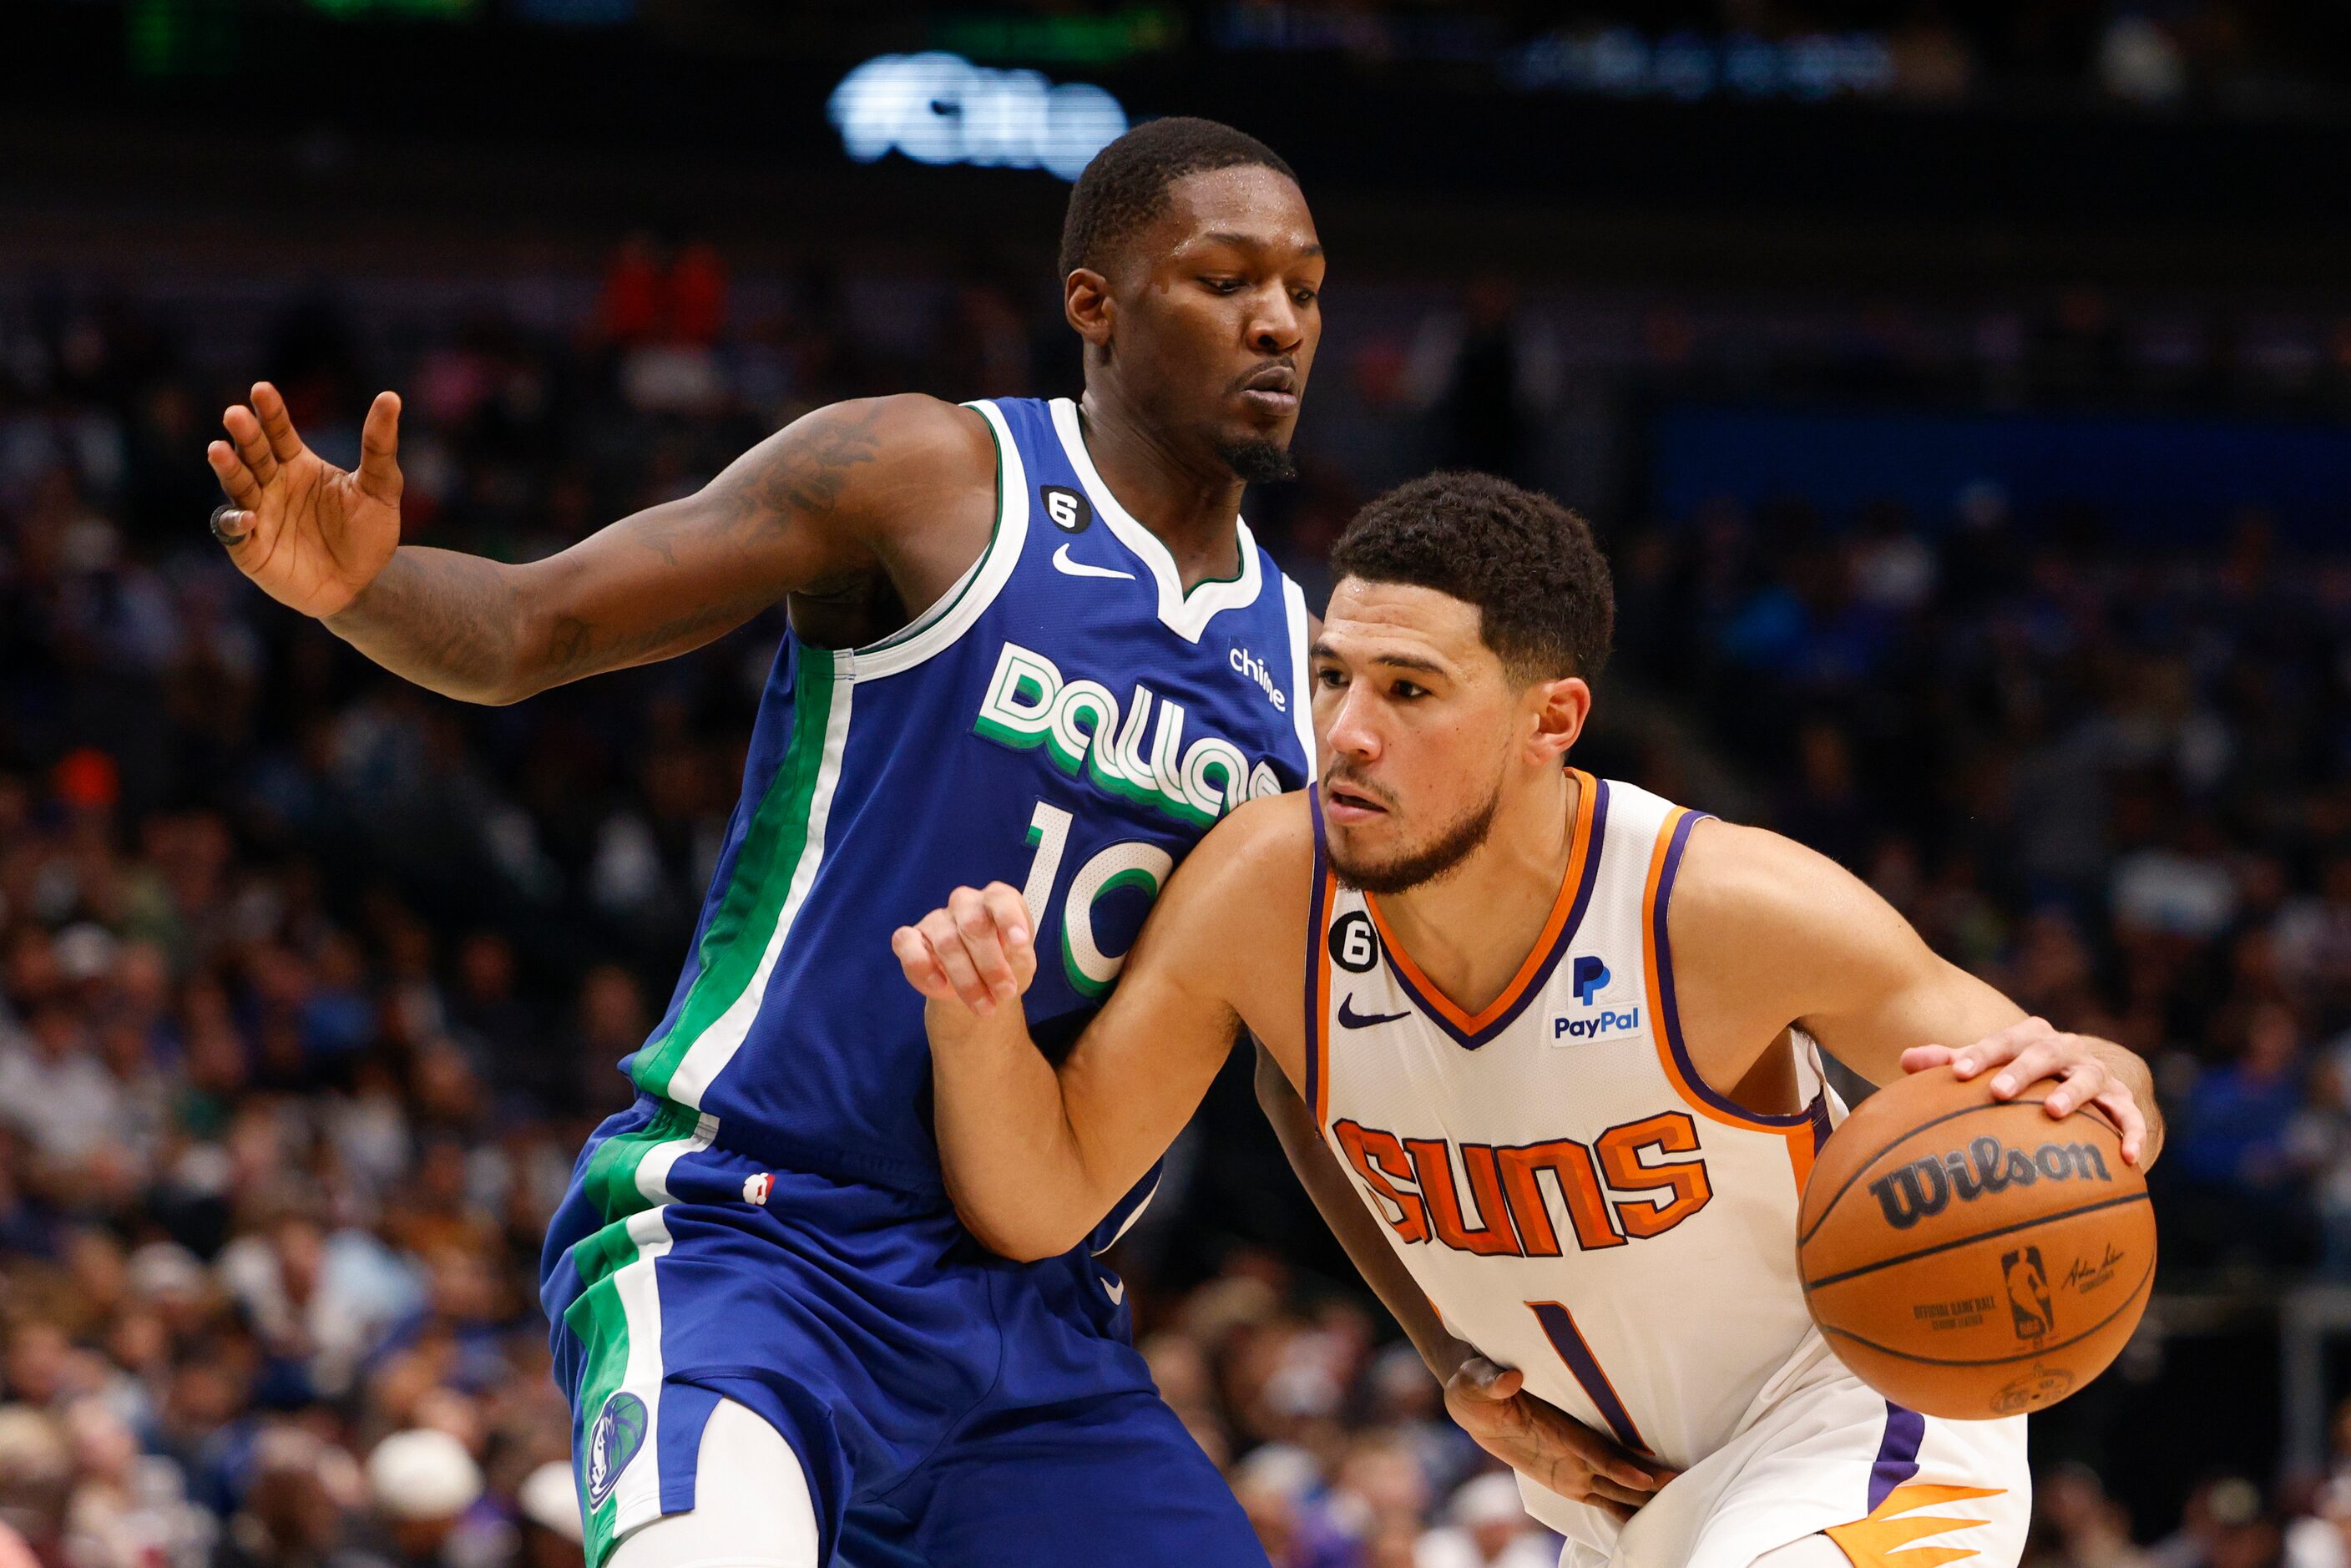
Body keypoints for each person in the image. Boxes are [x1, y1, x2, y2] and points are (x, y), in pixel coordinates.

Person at [204, 118, 1327, 1568]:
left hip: (1037, 1324)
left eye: (1303, 284)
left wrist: (1459, 1346)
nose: (1279, 320)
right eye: (1226, 279)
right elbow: (533, 628)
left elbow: (1297, 1051)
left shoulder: (1305, 665)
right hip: (758, 1236)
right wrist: (360, 592)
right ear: (1095, 305)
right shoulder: (926, 476)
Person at [892, 472, 2165, 1568]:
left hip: (1846, 1433)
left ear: (1548, 721)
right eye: (1331, 674)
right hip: (1606, 1506)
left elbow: (2048, 1082)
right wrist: (976, 1025)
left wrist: (2110, 1074)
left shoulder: (1718, 906)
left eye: (1409, 689)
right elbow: (1045, 1199)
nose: (1345, 732)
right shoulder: (1263, 896)